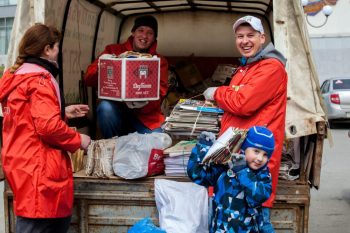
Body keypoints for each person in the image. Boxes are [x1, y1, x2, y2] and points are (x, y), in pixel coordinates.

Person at [0, 23, 91, 233]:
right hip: (38, 170)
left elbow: (27, 120)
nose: (58, 52)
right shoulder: (39, 81)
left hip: (23, 165)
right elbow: (48, 128)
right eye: (57, 46)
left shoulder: (18, 77)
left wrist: (62, 113)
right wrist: (79, 141)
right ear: (47, 49)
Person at [203, 15, 288, 229]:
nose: (245, 41)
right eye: (240, 36)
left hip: (254, 165)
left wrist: (217, 93)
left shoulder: (271, 68)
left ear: (263, 38)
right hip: (238, 163)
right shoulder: (246, 68)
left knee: (255, 221)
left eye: (250, 35)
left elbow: (242, 103)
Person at [84, 15, 169, 138]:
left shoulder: (159, 61)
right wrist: (102, 65)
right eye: (140, 30)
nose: (144, 36)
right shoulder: (113, 50)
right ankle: (111, 148)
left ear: (154, 38)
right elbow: (88, 79)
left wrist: (141, 101)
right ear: (133, 32)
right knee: (105, 108)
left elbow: (160, 94)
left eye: (150, 33)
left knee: (158, 140)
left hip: (145, 117)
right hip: (116, 111)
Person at [187, 126, 275, 232]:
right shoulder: (224, 167)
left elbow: (260, 196)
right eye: (256, 151)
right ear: (243, 148)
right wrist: (203, 147)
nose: (260, 158)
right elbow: (196, 174)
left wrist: (242, 171)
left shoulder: (262, 174)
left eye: (265, 155)